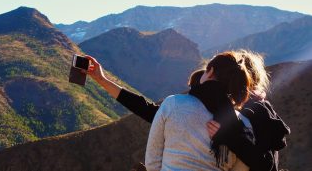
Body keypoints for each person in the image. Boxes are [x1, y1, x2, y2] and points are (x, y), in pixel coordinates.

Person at [86, 50, 289, 170]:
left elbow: (266, 165)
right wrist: (103, 81)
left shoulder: (255, 113)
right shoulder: (216, 106)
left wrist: (231, 137)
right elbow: (150, 111)